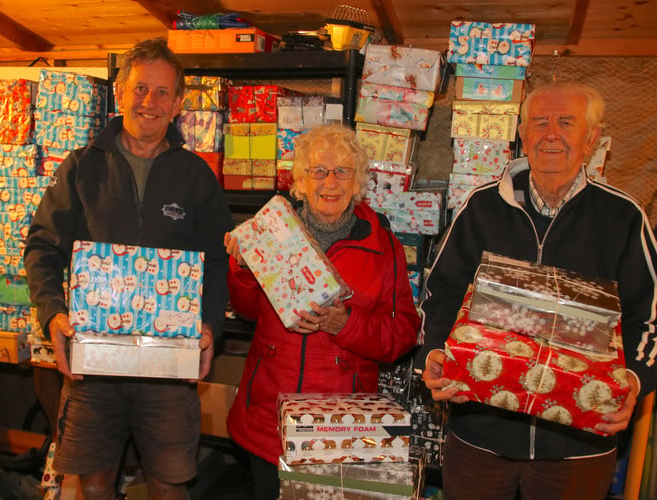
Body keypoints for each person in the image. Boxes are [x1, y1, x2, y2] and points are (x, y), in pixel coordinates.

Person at [418, 81, 657, 500]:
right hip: (479, 438)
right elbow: (441, 293)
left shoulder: (623, 217)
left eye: (566, 122)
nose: (551, 133)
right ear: (522, 134)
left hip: (579, 444)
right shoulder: (481, 207)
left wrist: (635, 381)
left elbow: (649, 317)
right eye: (539, 122)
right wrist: (435, 352)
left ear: (591, 138)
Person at [23, 38, 233, 500]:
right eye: (140, 89)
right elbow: (40, 247)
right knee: (94, 486)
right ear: (120, 93)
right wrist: (53, 314)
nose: (150, 103)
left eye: (162, 93)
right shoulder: (81, 167)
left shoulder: (197, 176)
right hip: (95, 362)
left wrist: (210, 326)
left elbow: (217, 264)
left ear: (178, 104)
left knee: (169, 485)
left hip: (169, 363)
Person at [223, 124, 421, 499]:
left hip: (339, 422)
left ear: (358, 180)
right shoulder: (272, 231)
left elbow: (403, 335)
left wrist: (346, 324)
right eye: (319, 171)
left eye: (343, 171)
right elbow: (248, 311)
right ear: (300, 179)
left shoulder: (383, 246)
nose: (330, 182)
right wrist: (244, 266)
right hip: (270, 414)